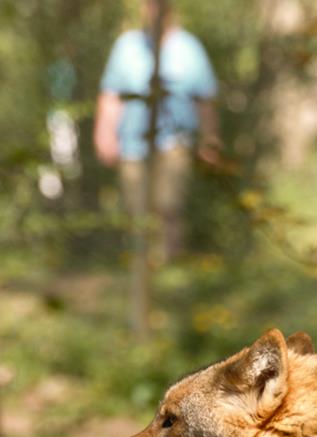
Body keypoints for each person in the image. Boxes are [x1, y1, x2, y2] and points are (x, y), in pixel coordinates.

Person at [94, 0, 221, 261]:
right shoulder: (127, 46)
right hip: (132, 144)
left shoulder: (189, 47)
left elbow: (204, 100)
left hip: (175, 142)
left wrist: (211, 140)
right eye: (148, 4)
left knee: (168, 204)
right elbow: (111, 96)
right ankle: (142, 265)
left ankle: (168, 265)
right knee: (137, 209)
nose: (152, 10)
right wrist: (104, 134)